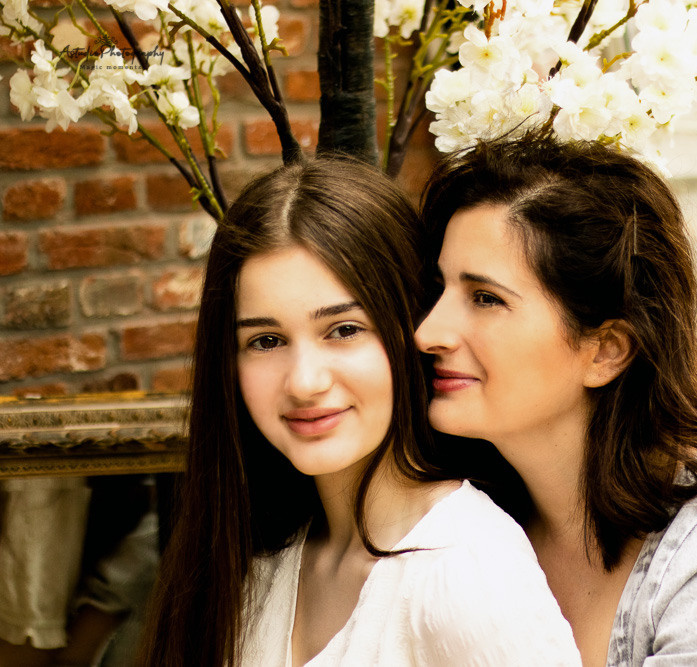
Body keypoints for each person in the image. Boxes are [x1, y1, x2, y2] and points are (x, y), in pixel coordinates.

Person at [415, 134, 697, 666]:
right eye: (438, 289)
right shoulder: (456, 520)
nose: (429, 332)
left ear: (605, 350)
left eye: (486, 298)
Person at [137, 156, 581, 666]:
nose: (305, 382)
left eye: (344, 330)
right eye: (266, 340)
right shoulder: (260, 563)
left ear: (407, 325)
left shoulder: (463, 569)